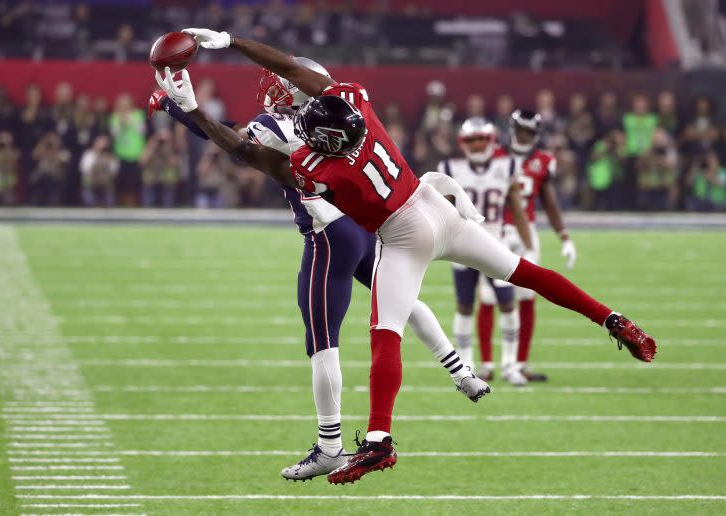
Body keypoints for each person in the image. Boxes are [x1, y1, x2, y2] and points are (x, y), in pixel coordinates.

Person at [159, 29, 656, 485]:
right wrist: (230, 41)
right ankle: (610, 318)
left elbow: (250, 154)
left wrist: (191, 111)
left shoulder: (317, 169)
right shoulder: (356, 101)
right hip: (437, 208)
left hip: (404, 237)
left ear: (322, 140)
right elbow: (293, 70)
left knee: (385, 334)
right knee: (525, 272)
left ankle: (378, 440)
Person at [150, 54, 488, 482]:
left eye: (278, 84)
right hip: (364, 226)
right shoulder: (342, 111)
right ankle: (462, 374)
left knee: (322, 339)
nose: (271, 90)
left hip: (327, 236)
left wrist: (176, 106)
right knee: (399, 302)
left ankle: (330, 446)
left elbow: (229, 140)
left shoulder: (272, 126)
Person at [477, 110, 577, 383]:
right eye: (521, 130)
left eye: (529, 132)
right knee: (488, 296)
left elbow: (549, 201)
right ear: (512, 129)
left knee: (526, 297)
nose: (524, 137)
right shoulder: (493, 154)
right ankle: (486, 364)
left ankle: (519, 364)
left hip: (526, 234)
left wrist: (564, 236)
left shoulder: (543, 161)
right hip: (495, 231)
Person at [437, 118, 534, 386]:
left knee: (506, 302)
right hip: (462, 245)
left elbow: (516, 208)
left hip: (496, 245)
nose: (477, 144)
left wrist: (529, 247)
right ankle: (466, 366)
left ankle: (509, 365)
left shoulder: (508, 166)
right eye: (472, 140)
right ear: (463, 143)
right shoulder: (450, 169)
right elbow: (443, 212)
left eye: (481, 139)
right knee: (465, 306)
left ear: (491, 141)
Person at [80, 135, 119, 207]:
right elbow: (85, 171)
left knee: (109, 197)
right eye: (100, 144)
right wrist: (98, 161)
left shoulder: (111, 157)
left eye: (105, 145)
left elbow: (114, 172)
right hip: (91, 185)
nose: (102, 148)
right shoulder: (88, 155)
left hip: (105, 185)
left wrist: (107, 161)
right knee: (88, 196)